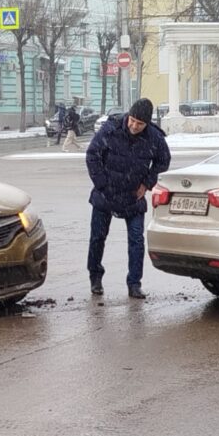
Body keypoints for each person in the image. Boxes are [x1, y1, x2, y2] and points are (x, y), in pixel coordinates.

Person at [85, 97, 171, 300]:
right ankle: (95, 277)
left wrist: (147, 184)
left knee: (136, 241)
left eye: (140, 124)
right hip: (105, 194)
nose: (134, 125)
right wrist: (102, 184)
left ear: (147, 124)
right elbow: (92, 155)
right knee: (97, 237)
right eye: (132, 120)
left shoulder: (154, 138)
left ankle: (134, 284)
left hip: (133, 196)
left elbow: (164, 160)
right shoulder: (111, 129)